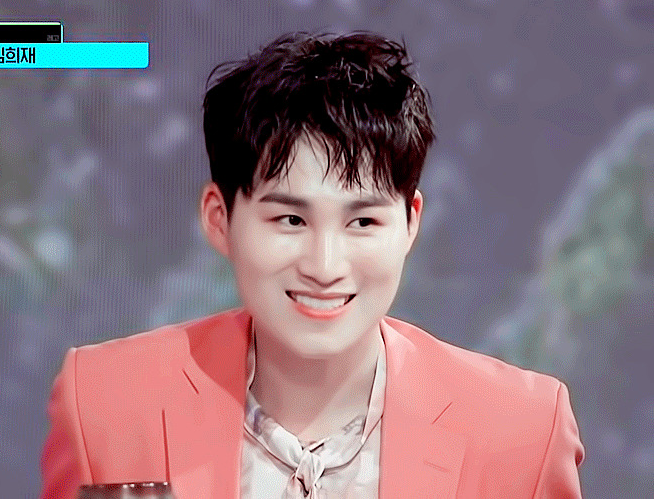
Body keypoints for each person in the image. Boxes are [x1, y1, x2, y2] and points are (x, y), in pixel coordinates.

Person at [40, 31, 584, 498]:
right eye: (291, 220)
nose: (325, 266)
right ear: (219, 219)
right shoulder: (106, 403)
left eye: (362, 221)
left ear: (410, 223)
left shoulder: (523, 431)